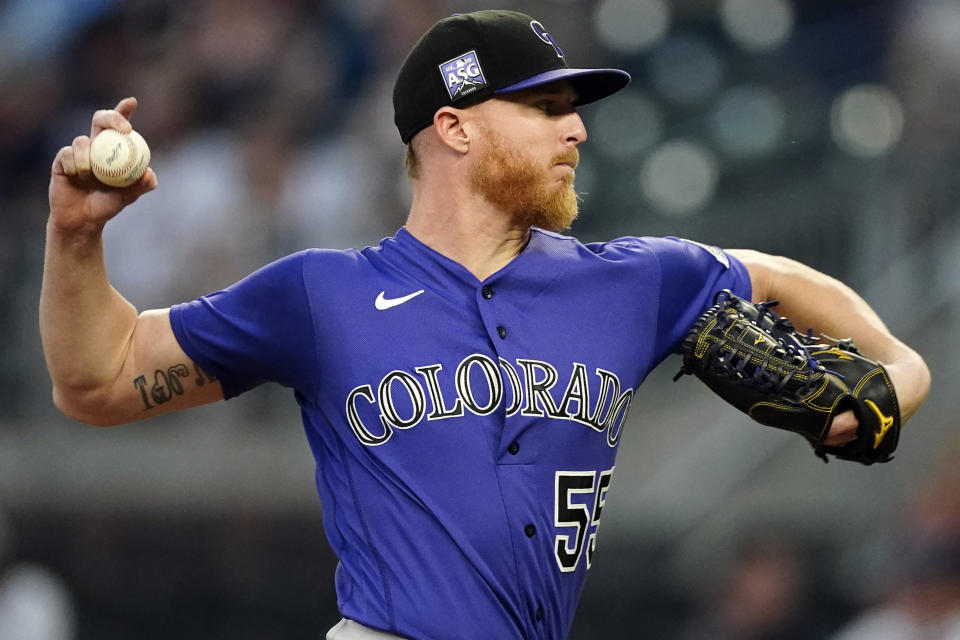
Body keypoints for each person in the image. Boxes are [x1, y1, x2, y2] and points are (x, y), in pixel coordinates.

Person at [40, 9, 931, 640]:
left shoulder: (636, 282)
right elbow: (100, 380)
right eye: (545, 108)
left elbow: (778, 278)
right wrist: (76, 238)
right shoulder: (323, 294)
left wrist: (897, 366)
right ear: (455, 128)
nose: (577, 130)